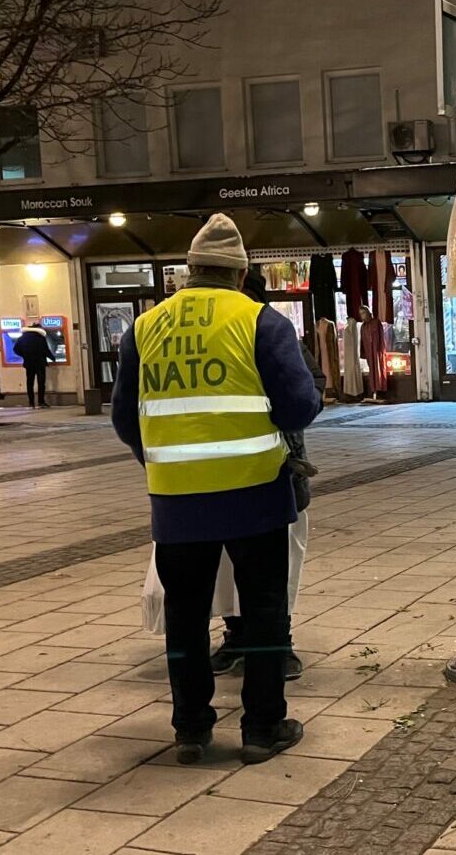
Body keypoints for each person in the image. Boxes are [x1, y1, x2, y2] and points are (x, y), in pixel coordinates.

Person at [111, 213, 321, 766]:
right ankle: (262, 727)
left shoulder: (145, 326)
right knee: (265, 610)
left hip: (177, 503)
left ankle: (190, 728)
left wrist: (160, 460)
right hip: (256, 496)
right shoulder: (261, 322)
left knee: (185, 615)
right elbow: (301, 406)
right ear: (239, 272)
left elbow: (124, 417)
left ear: (190, 270)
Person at [204, 267, 324, 682]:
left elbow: (311, 390)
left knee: (277, 569)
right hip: (215, 479)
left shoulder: (275, 331)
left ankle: (279, 645)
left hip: (277, 478)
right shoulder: (209, 336)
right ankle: (237, 637)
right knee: (225, 570)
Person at [14, 321, 55, 408]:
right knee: (41, 382)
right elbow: (46, 350)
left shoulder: (22, 338)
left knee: (30, 382)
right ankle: (41, 401)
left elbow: (16, 349)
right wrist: (53, 358)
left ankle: (31, 403)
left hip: (29, 363)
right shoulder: (40, 338)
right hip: (40, 363)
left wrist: (24, 355)